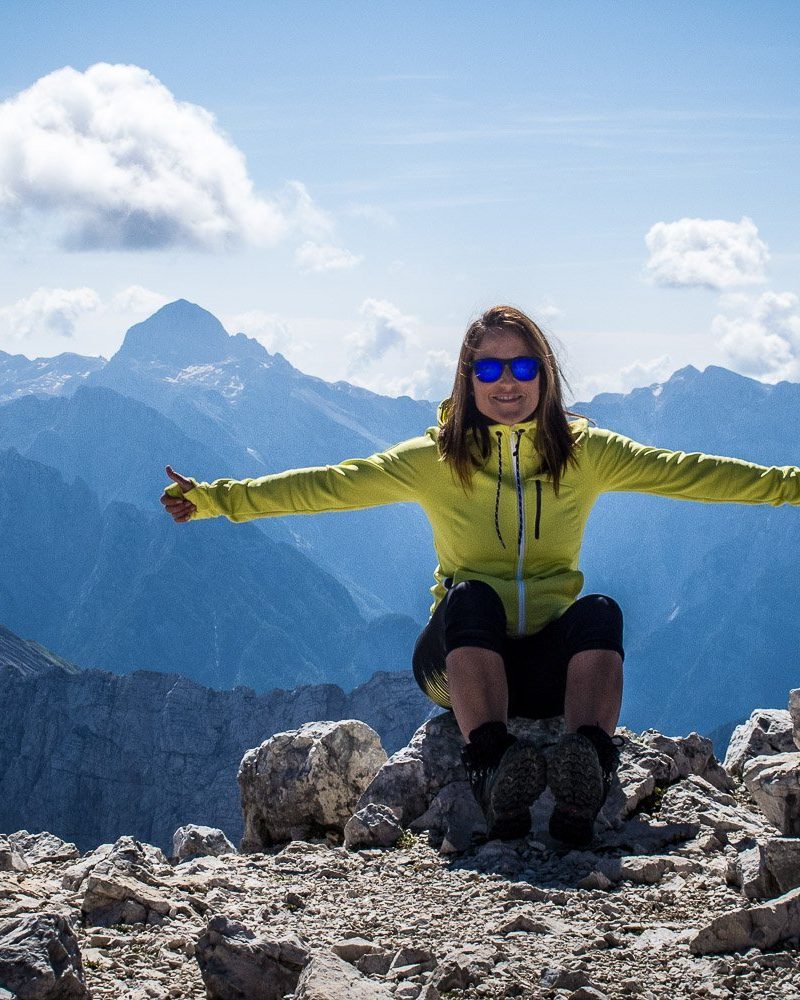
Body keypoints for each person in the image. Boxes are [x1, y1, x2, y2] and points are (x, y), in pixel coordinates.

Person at [161, 304, 800, 847]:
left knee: (600, 611)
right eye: (488, 369)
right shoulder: (437, 458)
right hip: (458, 660)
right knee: (471, 599)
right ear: (467, 381)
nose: (507, 383)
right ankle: (493, 767)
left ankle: (586, 773)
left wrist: (793, 487)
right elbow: (330, 486)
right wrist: (219, 498)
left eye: (522, 366)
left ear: (545, 376)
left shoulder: (587, 454)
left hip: (546, 668)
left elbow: (694, 473)